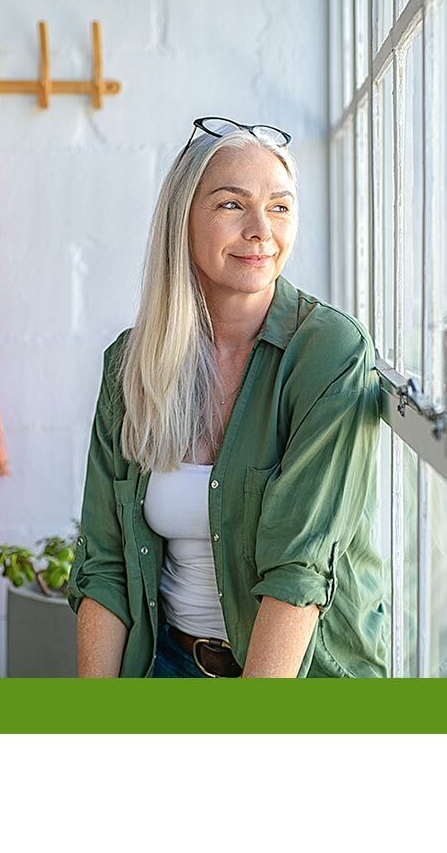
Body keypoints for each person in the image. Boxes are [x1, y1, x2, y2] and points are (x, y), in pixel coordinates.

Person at [67, 118, 387, 678]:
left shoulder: (329, 352)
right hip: (164, 663)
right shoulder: (130, 362)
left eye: (280, 207)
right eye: (232, 205)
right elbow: (106, 560)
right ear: (182, 220)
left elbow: (298, 572)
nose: (261, 229)